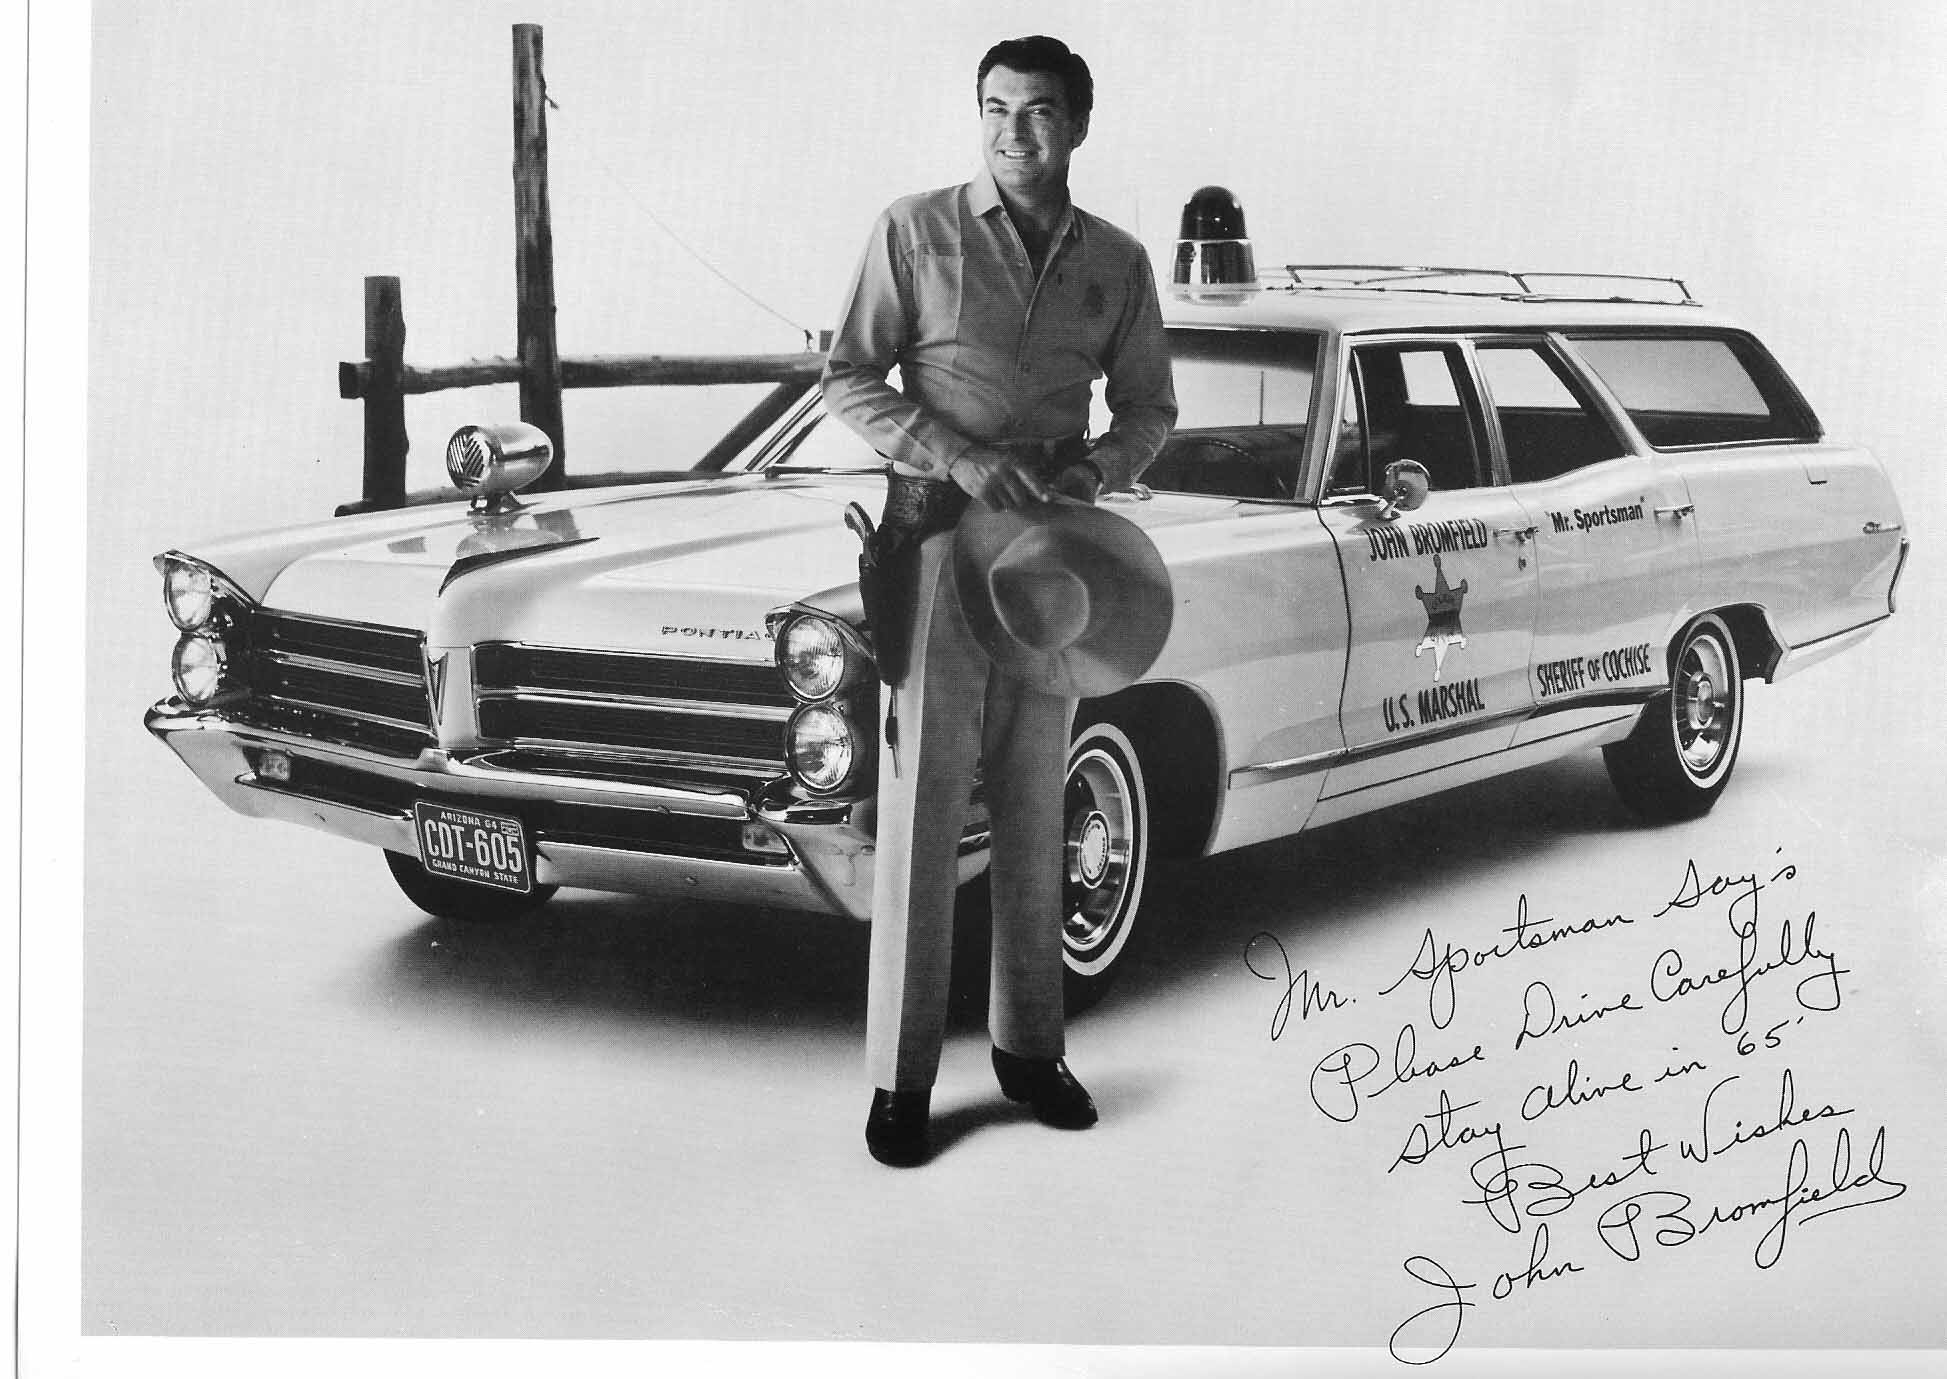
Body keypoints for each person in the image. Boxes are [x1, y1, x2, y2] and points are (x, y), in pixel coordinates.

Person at [820, 34, 1177, 1166]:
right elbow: (846, 375)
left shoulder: (1116, 260)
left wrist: (1097, 469)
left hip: (1053, 558)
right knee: (923, 806)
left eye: (1038, 112)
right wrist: (959, 457)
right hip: (935, 541)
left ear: (1078, 125)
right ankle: (902, 1079)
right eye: (996, 108)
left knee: (1035, 798)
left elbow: (1151, 407)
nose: (1014, 133)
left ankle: (1030, 1051)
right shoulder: (913, 230)